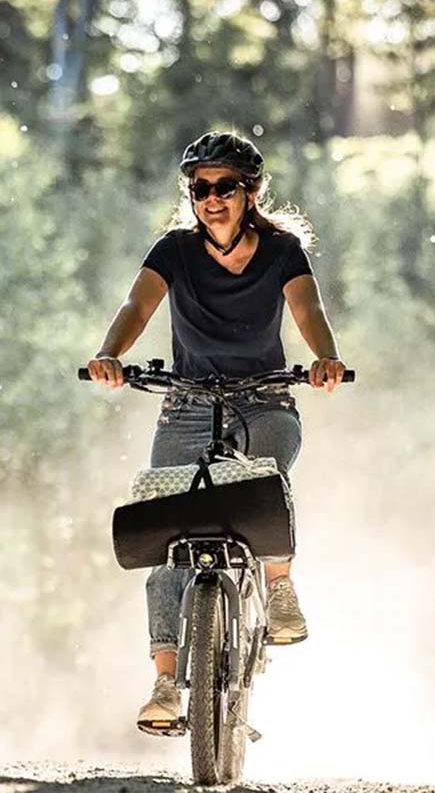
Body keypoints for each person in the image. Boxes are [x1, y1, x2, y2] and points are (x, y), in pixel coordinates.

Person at [85, 131, 346, 733]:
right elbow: (136, 307)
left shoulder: (282, 253)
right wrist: (109, 354)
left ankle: (277, 583)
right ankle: (165, 683)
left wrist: (326, 357)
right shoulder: (174, 251)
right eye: (200, 188)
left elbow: (308, 312)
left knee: (264, 481)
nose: (211, 198)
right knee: (166, 530)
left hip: (266, 401)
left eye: (224, 186)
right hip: (187, 405)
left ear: (249, 192)